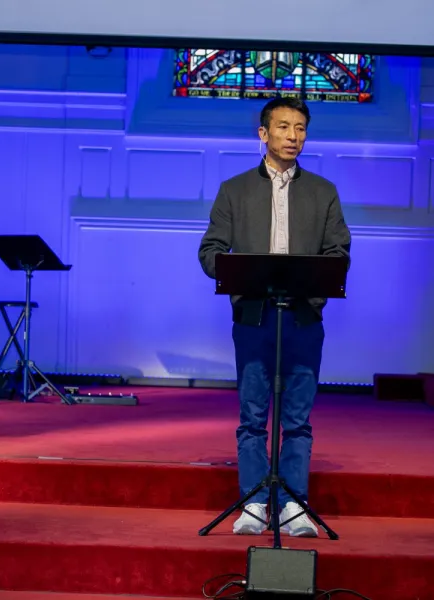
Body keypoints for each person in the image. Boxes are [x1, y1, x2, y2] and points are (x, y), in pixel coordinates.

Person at [198, 97, 351, 537]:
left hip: (303, 318)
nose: (293, 136)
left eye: (300, 128)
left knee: (297, 419)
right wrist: (235, 275)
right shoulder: (234, 189)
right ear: (263, 134)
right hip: (253, 317)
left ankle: (292, 505)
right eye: (283, 127)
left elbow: (338, 252)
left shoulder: (323, 192)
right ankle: (253, 503)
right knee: (252, 415)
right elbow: (210, 251)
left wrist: (313, 296)